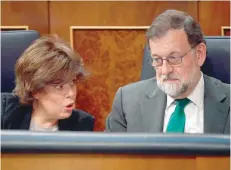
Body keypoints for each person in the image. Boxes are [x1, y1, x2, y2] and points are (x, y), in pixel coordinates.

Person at [105, 9, 230, 134]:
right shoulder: (127, 102)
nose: (165, 70)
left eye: (174, 58)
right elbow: (109, 153)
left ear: (199, 54)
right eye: (157, 59)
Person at [1, 34, 94, 131]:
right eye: (60, 86)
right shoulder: (4, 113)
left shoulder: (82, 123)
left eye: (73, 82)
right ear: (35, 90)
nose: (71, 93)